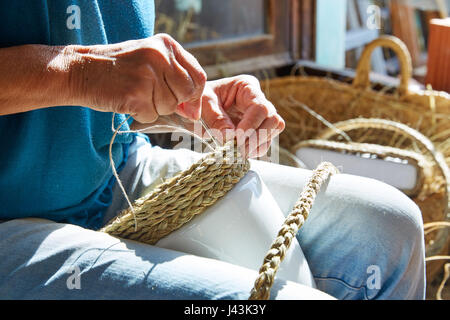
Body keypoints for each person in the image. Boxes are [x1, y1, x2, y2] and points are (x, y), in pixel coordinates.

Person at [0, 1, 425, 300]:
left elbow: (101, 103)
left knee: (391, 228)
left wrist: (188, 102)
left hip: (118, 172)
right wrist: (80, 73)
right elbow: (90, 68)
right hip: (9, 222)